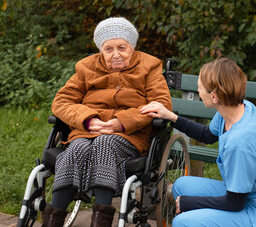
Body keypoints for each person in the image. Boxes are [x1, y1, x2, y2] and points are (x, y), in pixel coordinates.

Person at [41, 17, 172, 227]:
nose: (116, 54)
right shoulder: (86, 67)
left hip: (128, 134)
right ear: (100, 49)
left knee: (105, 144)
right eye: (108, 49)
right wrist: (88, 120)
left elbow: (161, 104)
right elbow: (62, 101)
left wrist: (121, 122)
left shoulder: (149, 66)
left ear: (132, 47)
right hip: (87, 132)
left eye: (122, 47)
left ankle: (100, 222)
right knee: (77, 148)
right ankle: (53, 221)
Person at [140, 57, 256, 226]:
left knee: (182, 222)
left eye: (200, 88)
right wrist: (171, 116)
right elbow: (207, 135)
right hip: (250, 195)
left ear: (214, 96)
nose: (198, 91)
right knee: (181, 185)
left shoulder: (241, 141)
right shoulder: (238, 108)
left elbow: (234, 203)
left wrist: (189, 203)